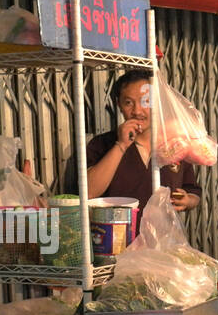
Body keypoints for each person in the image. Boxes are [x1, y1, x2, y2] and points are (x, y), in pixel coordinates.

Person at [81, 70, 201, 218]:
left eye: (146, 101)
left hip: (163, 238)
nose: (137, 111)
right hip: (117, 237)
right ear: (119, 105)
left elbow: (193, 192)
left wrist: (188, 201)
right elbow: (88, 192)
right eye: (128, 103)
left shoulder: (175, 145)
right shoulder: (102, 144)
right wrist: (121, 145)